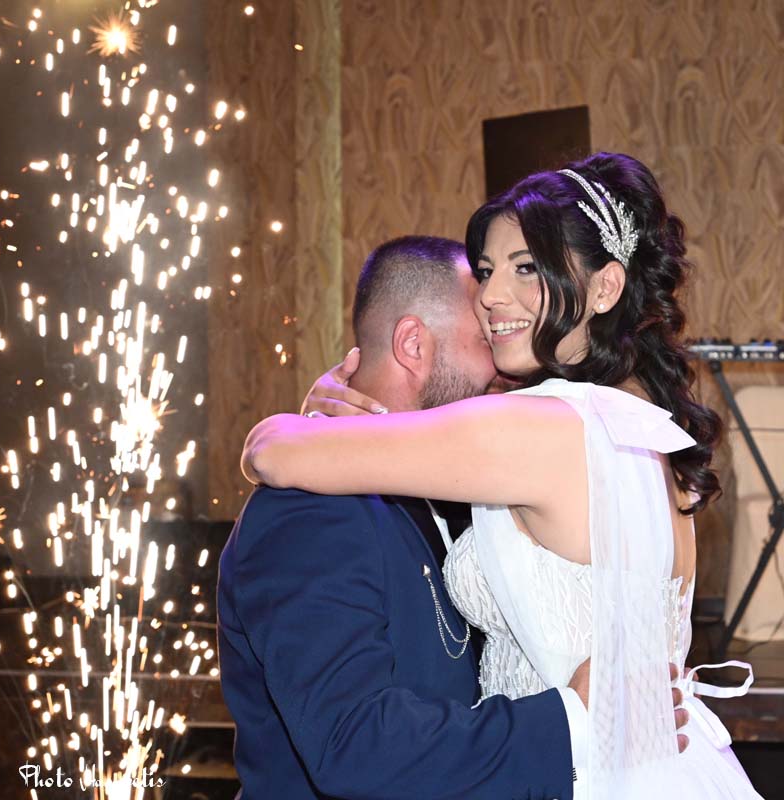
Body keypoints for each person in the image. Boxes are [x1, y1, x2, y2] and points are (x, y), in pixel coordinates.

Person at [243, 153, 762, 798]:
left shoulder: (533, 428)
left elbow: (274, 454)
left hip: (576, 774)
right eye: (487, 271)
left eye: (526, 267)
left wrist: (297, 423)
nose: (490, 296)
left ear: (605, 288)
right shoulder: (649, 434)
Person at [218, 236, 606, 800]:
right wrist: (567, 723)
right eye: (485, 337)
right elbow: (355, 745)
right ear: (413, 344)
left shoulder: (451, 487)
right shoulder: (309, 510)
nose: (504, 368)